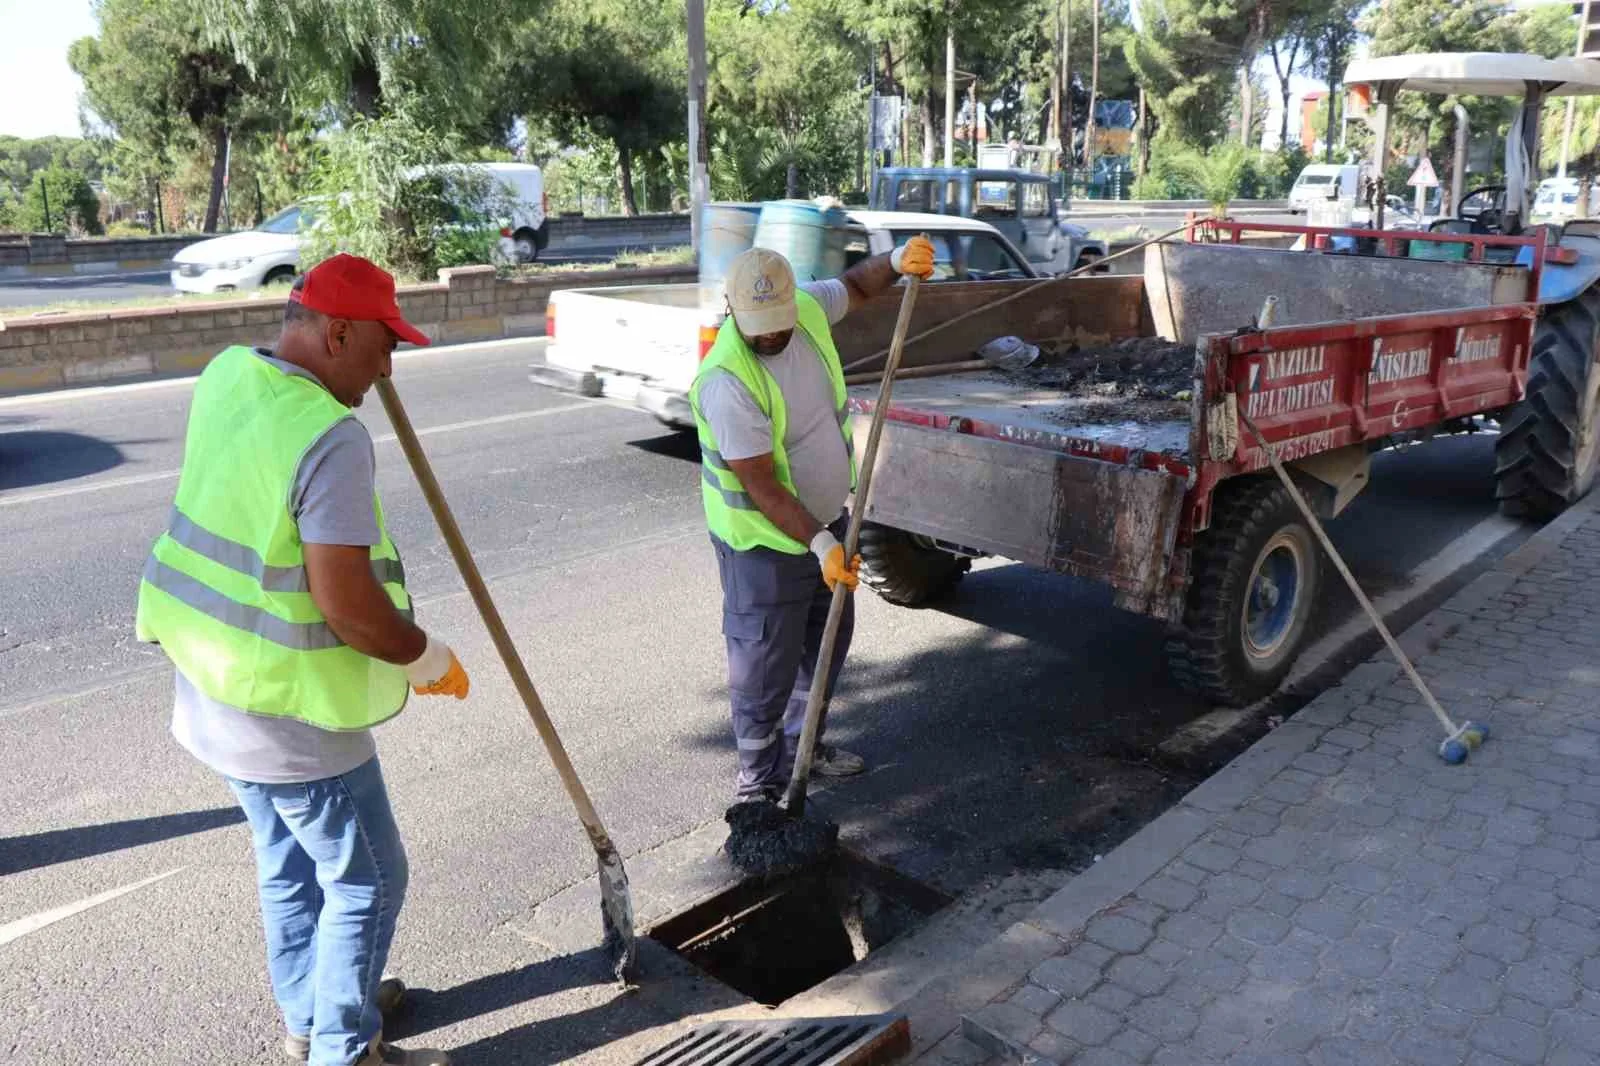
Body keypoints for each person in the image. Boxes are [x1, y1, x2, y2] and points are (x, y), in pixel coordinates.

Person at [135, 254, 469, 1066]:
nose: (388, 367)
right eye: (382, 346)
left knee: (288, 866)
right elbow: (349, 605)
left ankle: (311, 1016)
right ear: (337, 331)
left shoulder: (228, 375)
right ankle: (343, 1050)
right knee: (368, 879)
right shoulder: (331, 436)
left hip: (213, 692)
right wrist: (426, 656)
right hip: (292, 712)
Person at [690, 236, 936, 802]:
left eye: (780, 319)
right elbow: (763, 488)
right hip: (764, 547)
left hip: (828, 524)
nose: (774, 333)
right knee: (762, 670)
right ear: (733, 312)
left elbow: (854, 286)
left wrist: (896, 264)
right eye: (761, 325)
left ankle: (805, 747)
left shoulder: (802, 307)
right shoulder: (726, 382)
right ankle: (757, 786)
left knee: (824, 644)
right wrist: (822, 544)